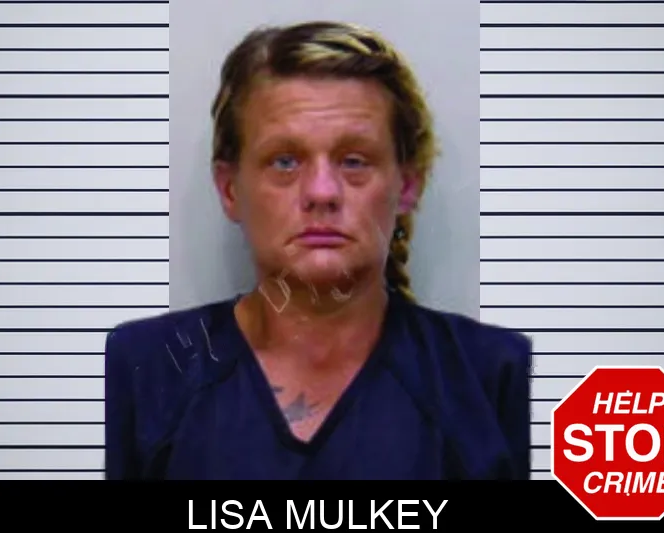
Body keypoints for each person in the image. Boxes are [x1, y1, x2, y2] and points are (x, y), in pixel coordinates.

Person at [104, 20, 532, 480]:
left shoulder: (496, 378)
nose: (322, 192)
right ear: (230, 189)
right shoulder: (144, 371)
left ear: (407, 186)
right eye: (285, 161)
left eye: (354, 161)